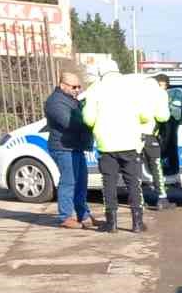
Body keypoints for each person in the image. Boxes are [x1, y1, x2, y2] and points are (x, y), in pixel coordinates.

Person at [82, 74, 167, 233]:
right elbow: (146, 115)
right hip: (130, 144)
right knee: (134, 184)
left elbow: (88, 119)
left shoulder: (95, 89)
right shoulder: (132, 88)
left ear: (101, 74)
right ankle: (137, 223)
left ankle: (111, 223)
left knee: (109, 184)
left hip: (106, 146)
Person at [43, 70, 96, 229]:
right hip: (63, 147)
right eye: (74, 87)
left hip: (75, 147)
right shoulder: (55, 102)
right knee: (69, 182)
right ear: (62, 85)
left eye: (79, 87)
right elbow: (69, 123)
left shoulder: (71, 100)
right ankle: (65, 217)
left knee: (81, 182)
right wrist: (89, 120)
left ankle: (83, 215)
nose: (77, 90)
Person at [142, 74, 174, 211]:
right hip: (149, 136)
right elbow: (163, 117)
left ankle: (137, 200)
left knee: (134, 168)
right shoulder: (159, 95)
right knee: (156, 166)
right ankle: (162, 198)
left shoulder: (137, 94)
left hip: (134, 136)